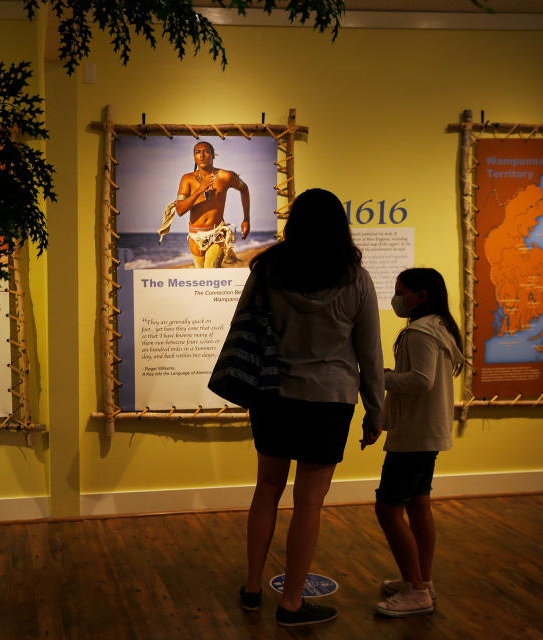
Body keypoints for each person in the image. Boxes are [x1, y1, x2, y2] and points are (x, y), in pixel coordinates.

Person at [237, 189, 384, 626]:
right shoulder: (355, 278)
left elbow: (241, 328)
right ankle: (292, 603)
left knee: (267, 489)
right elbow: (370, 353)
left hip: (274, 394)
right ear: (340, 226)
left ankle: (250, 587)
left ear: (294, 225)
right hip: (330, 400)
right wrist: (376, 410)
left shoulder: (267, 272)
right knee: (309, 502)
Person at [360, 267, 464, 618]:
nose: (397, 297)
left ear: (422, 296)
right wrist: (383, 421)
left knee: (388, 509)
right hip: (425, 432)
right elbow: (416, 384)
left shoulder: (420, 332)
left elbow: (420, 381)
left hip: (416, 436)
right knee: (418, 505)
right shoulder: (438, 328)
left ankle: (415, 589)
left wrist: (380, 378)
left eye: (402, 291)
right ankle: (423, 580)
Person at [172, 141, 250, 268]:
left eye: (206, 151)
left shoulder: (225, 176)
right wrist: (200, 189)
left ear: (213, 155)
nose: (202, 155)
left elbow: (244, 189)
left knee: (209, 271)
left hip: (217, 234)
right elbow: (180, 210)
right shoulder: (187, 179)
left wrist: (246, 219)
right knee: (204, 280)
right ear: (194, 158)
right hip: (195, 236)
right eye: (198, 152)